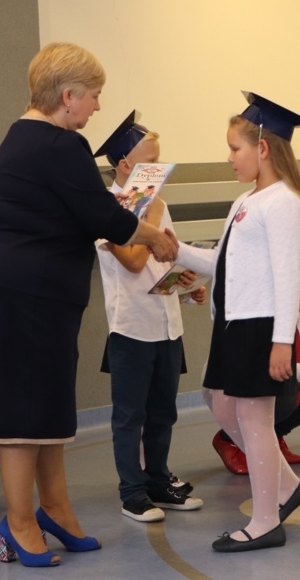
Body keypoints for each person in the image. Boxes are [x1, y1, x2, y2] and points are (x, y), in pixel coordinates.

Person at [0, 42, 179, 568]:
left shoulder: (27, 137)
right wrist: (155, 237)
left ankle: (57, 509)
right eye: (94, 95)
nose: (98, 106)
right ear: (67, 96)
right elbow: (105, 217)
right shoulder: (59, 145)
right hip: (27, 292)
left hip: (36, 291)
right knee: (23, 408)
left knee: (48, 402)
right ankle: (20, 522)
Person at [175, 92, 300, 553]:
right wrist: (174, 248)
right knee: (221, 403)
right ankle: (287, 484)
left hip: (260, 326)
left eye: (235, 148)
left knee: (255, 419)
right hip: (233, 324)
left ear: (263, 148)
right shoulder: (245, 200)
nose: (230, 157)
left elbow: (287, 276)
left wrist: (281, 342)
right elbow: (221, 261)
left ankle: (266, 520)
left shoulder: (283, 203)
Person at [93, 112, 205, 522]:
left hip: (167, 324)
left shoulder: (158, 204)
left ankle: (158, 481)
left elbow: (164, 256)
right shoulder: (107, 207)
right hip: (131, 328)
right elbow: (134, 261)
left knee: (163, 412)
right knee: (130, 415)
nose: (160, 169)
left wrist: (187, 283)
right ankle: (132, 492)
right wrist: (152, 215)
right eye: (150, 161)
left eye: (160, 159)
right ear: (124, 164)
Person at [211, 264, 300, 474]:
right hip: (235, 384)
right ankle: (229, 439)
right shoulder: (261, 312)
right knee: (284, 392)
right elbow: (260, 367)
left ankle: (272, 436)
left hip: (272, 377)